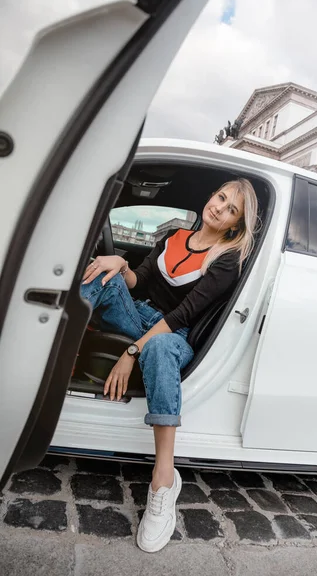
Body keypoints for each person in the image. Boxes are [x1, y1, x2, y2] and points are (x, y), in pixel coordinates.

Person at [80, 178, 259, 553]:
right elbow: (139, 282)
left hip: (175, 336)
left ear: (235, 225)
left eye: (231, 210)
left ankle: (164, 481)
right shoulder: (174, 236)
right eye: (221, 197)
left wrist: (132, 353)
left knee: (158, 347)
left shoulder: (226, 259)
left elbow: (183, 314)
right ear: (211, 195)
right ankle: (41, 354)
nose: (220, 208)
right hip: (140, 315)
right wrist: (119, 263)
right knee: (104, 272)